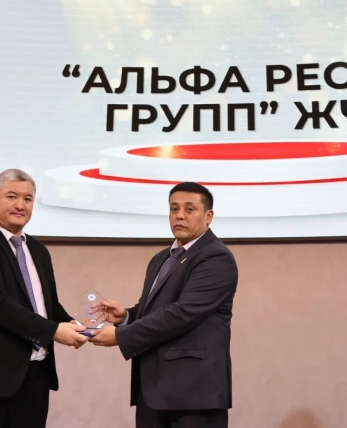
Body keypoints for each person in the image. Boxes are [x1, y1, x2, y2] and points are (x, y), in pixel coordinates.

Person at [0, 169, 88, 428]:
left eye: (28, 199)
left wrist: (76, 326)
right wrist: (53, 331)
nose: (21, 205)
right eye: (12, 196)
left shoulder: (38, 250)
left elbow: (47, 305)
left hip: (34, 379)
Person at [89, 182, 239, 428]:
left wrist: (120, 336)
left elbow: (182, 313)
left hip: (193, 393)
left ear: (208, 216)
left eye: (189, 209)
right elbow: (155, 309)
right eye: (174, 208)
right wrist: (126, 317)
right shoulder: (161, 259)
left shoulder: (216, 257)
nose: (179, 215)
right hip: (153, 389)